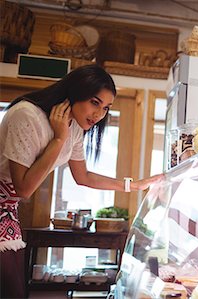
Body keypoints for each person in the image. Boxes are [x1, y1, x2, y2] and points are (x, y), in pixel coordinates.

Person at [0, 64, 163, 298]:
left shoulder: (75, 128)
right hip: (6, 203)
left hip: (7, 212)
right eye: (94, 103)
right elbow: (24, 189)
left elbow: (83, 176)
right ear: (75, 93)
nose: (99, 115)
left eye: (106, 108)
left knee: (12, 290)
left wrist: (133, 185)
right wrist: (58, 139)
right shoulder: (27, 115)